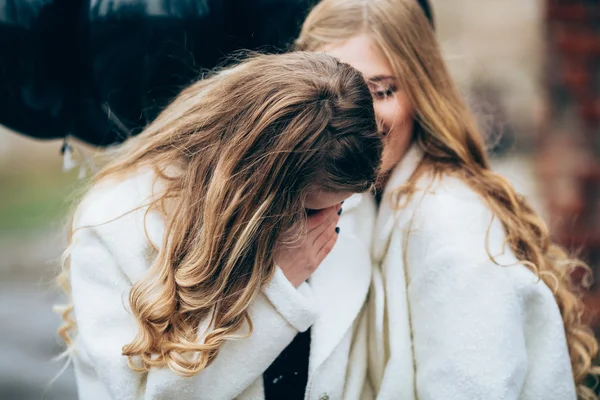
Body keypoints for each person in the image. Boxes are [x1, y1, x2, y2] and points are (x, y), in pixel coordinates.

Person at [296, 1, 599, 399]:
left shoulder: (449, 223)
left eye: (381, 90)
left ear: (422, 91)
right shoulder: (359, 203)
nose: (357, 115)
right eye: (335, 93)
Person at [55, 52, 382, 399]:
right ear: (258, 195)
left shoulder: (331, 183)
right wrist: (280, 290)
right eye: (307, 211)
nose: (330, 222)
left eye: (341, 205)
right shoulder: (115, 227)